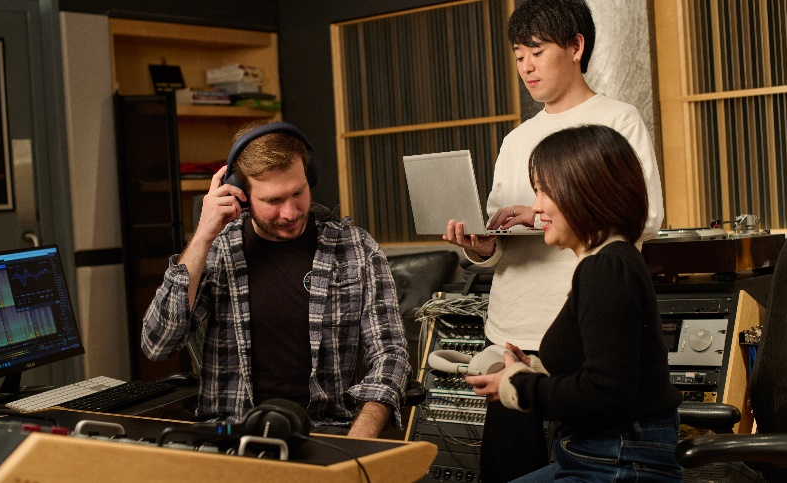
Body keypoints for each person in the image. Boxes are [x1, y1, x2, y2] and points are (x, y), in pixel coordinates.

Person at [443, 0, 664, 480]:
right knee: (507, 468)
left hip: (579, 334)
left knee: (589, 458)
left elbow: (644, 218)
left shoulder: (617, 120)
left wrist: (543, 213)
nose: (526, 66)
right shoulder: (516, 140)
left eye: (537, 52)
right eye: (518, 55)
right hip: (514, 327)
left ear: (576, 46)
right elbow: (499, 242)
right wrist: (481, 245)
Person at [141, 120, 411, 438]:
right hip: (231, 432)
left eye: (298, 193)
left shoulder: (355, 249)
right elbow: (158, 344)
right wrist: (202, 236)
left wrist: (360, 439)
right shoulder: (218, 250)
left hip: (326, 433)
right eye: (272, 201)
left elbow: (390, 354)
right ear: (241, 195)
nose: (290, 213)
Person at [465, 124, 683, 482]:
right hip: (599, 455)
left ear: (584, 190)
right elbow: (604, 370)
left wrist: (518, 386)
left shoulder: (606, 269)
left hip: (620, 461)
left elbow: (607, 393)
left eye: (543, 191)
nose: (535, 207)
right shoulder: (606, 261)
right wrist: (534, 369)